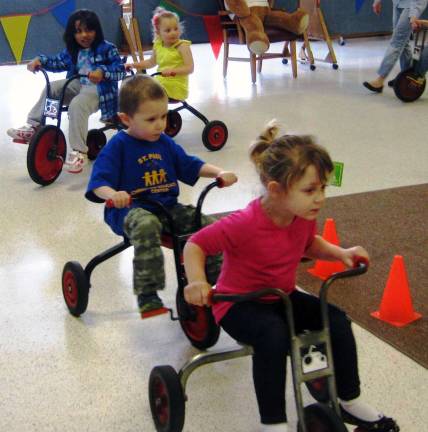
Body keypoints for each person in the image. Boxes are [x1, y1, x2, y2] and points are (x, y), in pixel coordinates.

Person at [183, 121, 399, 432]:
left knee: (336, 322)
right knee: (273, 336)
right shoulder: (244, 223)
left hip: (281, 297)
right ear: (275, 190)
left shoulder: (300, 216)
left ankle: (348, 401)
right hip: (237, 304)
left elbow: (309, 244)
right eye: (310, 190)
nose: (320, 198)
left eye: (323, 187)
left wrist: (341, 253)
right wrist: (197, 281)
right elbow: (196, 245)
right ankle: (273, 423)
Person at [85, 75, 237, 315]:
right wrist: (114, 194)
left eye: (164, 116)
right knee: (147, 225)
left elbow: (189, 164)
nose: (160, 125)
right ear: (126, 119)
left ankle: (219, 282)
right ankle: (147, 294)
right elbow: (98, 184)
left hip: (167, 208)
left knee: (208, 227)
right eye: (151, 119)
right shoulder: (118, 146)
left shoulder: (164, 142)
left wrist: (220, 172)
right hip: (127, 211)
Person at [7, 9, 126, 173]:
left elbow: (120, 70)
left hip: (100, 89)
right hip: (77, 83)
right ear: (72, 34)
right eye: (78, 31)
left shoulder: (107, 48)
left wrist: (103, 72)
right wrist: (40, 61)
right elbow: (57, 62)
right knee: (53, 88)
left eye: (89, 30)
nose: (84, 35)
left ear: (96, 30)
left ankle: (79, 151)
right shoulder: (73, 50)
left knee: (77, 105)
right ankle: (34, 125)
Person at [125, 7, 193, 101]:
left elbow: (190, 68)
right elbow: (150, 63)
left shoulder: (182, 46)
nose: (173, 33)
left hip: (176, 87)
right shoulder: (158, 45)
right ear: (158, 32)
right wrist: (133, 65)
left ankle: (153, 113)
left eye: (176, 29)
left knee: (144, 92)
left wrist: (172, 71)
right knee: (136, 88)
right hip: (160, 82)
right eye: (168, 30)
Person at [363, 0, 428, 93]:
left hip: (413, 4)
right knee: (402, 42)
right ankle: (405, 77)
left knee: (397, 41)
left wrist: (413, 16)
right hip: (398, 2)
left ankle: (380, 79)